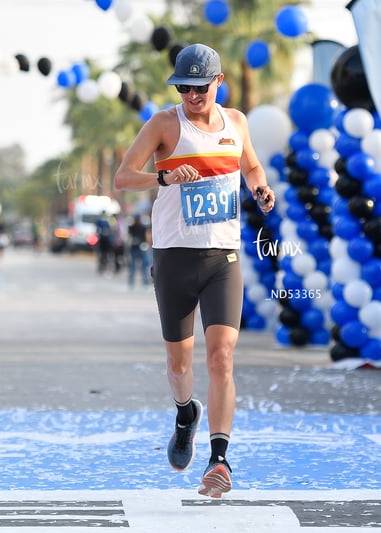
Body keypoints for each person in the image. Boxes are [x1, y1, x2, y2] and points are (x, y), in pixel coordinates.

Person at [114, 43, 275, 497]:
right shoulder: (165, 124)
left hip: (222, 257)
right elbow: (123, 178)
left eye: (199, 87)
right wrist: (163, 176)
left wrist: (260, 188)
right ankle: (186, 413)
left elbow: (253, 166)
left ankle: (219, 460)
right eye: (183, 87)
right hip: (173, 257)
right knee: (178, 362)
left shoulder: (237, 123)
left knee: (221, 355)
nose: (191, 95)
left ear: (217, 83)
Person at [127, 214, 151, 287]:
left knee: (144, 267)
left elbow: (147, 236)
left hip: (141, 248)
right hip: (134, 248)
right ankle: (131, 283)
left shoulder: (143, 228)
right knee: (132, 267)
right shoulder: (131, 228)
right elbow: (129, 237)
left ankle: (145, 283)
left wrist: (147, 244)